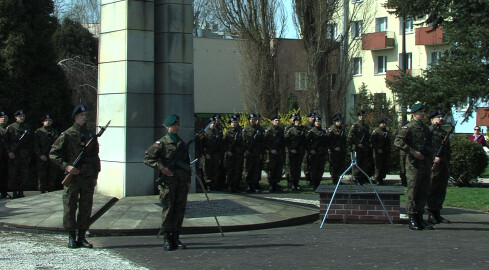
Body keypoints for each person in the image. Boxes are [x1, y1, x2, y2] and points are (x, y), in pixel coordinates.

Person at [50, 105, 101, 248]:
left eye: (86, 114)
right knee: (70, 206)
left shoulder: (90, 135)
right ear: (76, 117)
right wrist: (66, 166)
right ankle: (71, 236)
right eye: (83, 115)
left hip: (87, 177)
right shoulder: (67, 134)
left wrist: (95, 175)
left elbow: (95, 156)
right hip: (73, 177)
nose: (85, 117)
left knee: (86, 207)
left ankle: (82, 236)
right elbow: (53, 153)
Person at [144, 114, 190, 251]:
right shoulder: (162, 143)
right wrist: (161, 168)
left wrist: (188, 181)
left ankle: (176, 236)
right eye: (173, 125)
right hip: (168, 182)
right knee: (168, 209)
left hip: (181, 182)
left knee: (179, 209)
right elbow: (148, 158)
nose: (176, 127)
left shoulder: (182, 143)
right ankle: (167, 237)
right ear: (167, 127)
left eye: (177, 125)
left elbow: (187, 164)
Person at [394, 103, 434, 231]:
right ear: (414, 114)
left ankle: (420, 216)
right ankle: (411, 217)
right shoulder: (408, 128)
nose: (423, 114)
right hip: (413, 164)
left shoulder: (426, 129)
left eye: (423, 111)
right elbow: (398, 141)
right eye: (420, 112)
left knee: (423, 190)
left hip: (425, 163)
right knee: (413, 190)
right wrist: (412, 152)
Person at [427, 110, 451, 224]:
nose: (440, 119)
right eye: (438, 117)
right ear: (432, 119)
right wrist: (433, 158)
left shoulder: (443, 133)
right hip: (433, 164)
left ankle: (437, 212)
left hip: (443, 164)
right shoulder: (428, 131)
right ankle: (431, 212)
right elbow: (425, 147)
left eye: (441, 117)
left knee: (441, 189)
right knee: (432, 189)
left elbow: (447, 150)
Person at [5, 110, 33, 199]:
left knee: (23, 174)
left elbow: (30, 142)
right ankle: (14, 192)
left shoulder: (26, 127)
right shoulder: (11, 127)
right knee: (14, 174)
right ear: (16, 117)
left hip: (24, 155)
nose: (22, 118)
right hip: (14, 154)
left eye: (23, 116)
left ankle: (21, 192)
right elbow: (5, 142)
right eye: (20, 116)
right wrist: (9, 152)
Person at [34, 115, 59, 193]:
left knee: (52, 174)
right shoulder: (38, 132)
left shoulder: (54, 132)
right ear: (43, 122)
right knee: (42, 175)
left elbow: (57, 145)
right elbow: (35, 145)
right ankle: (42, 190)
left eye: (49, 120)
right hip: (42, 156)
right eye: (46, 120)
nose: (48, 122)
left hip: (51, 156)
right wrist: (40, 155)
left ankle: (51, 189)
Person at [347, 110, 373, 185]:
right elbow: (350, 137)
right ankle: (357, 178)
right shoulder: (355, 125)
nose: (362, 117)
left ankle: (362, 179)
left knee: (364, 164)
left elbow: (368, 137)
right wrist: (357, 143)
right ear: (358, 117)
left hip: (364, 148)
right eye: (360, 116)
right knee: (357, 163)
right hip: (357, 148)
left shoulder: (366, 126)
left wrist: (366, 144)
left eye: (363, 116)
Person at [242, 113, 265, 193]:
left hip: (257, 153)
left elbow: (262, 142)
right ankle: (248, 185)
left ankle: (254, 185)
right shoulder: (246, 129)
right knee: (248, 169)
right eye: (251, 119)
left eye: (254, 119)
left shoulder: (259, 129)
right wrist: (245, 150)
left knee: (256, 170)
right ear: (249, 120)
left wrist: (261, 152)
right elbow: (243, 141)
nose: (253, 121)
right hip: (249, 153)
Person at [264, 114, 285, 192]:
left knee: (278, 169)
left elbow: (282, 142)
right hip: (271, 153)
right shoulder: (269, 130)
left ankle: (276, 184)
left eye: (278, 120)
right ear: (272, 121)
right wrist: (270, 150)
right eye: (276, 120)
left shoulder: (280, 130)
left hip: (279, 152)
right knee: (272, 169)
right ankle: (271, 185)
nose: (277, 122)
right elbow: (265, 142)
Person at [305, 116, 328, 189]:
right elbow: (307, 142)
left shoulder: (323, 131)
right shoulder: (312, 132)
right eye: (316, 121)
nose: (318, 123)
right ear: (314, 122)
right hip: (314, 153)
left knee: (320, 169)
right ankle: (314, 184)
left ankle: (318, 183)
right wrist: (311, 150)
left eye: (319, 121)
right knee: (314, 169)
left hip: (322, 153)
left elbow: (326, 142)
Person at [223, 116, 244, 193]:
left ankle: (236, 185)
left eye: (235, 122)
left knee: (237, 170)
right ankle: (230, 186)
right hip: (230, 154)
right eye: (232, 122)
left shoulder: (239, 132)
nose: (234, 124)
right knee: (230, 171)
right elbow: (223, 143)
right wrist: (227, 151)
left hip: (238, 154)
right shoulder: (228, 132)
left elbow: (242, 142)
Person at [201, 117, 223, 191]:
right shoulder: (205, 133)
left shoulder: (217, 133)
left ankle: (215, 184)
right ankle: (208, 185)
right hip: (207, 155)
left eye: (214, 123)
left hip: (215, 155)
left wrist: (220, 156)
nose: (213, 125)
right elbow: (201, 145)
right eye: (211, 123)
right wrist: (205, 154)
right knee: (207, 171)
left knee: (215, 170)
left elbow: (220, 146)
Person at [285, 116, 306, 190]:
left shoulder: (302, 130)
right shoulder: (291, 130)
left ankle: (297, 183)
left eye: (299, 121)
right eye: (296, 121)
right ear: (294, 122)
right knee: (292, 168)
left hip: (300, 152)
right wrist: (291, 149)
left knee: (298, 168)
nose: (298, 122)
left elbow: (304, 141)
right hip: (293, 152)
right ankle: (292, 183)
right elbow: (287, 141)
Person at [371, 117, 391, 185]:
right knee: (378, 166)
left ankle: (381, 178)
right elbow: (373, 142)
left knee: (384, 165)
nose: (384, 124)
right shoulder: (376, 131)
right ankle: (377, 179)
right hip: (378, 152)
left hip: (385, 151)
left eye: (385, 123)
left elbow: (388, 142)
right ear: (380, 124)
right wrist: (377, 149)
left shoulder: (387, 132)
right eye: (383, 123)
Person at [328, 113, 346, 185]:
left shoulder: (342, 129)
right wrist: (334, 147)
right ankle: (334, 179)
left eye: (340, 121)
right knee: (334, 165)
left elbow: (344, 140)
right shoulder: (331, 129)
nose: (339, 122)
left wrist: (342, 148)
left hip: (341, 151)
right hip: (334, 151)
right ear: (334, 122)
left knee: (341, 165)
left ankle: (339, 179)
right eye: (337, 121)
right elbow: (329, 141)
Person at [304, 112, 316, 186]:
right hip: (308, 148)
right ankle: (308, 178)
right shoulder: (306, 126)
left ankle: (313, 178)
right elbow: (305, 138)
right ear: (308, 118)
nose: (313, 118)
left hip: (315, 148)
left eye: (314, 117)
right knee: (307, 163)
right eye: (311, 117)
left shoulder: (316, 125)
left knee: (314, 164)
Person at [0, 111, 10, 199]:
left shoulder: (9, 128)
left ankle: (4, 191)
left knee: (5, 174)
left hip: (6, 155)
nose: (3, 119)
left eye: (5, 118)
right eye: (1, 117)